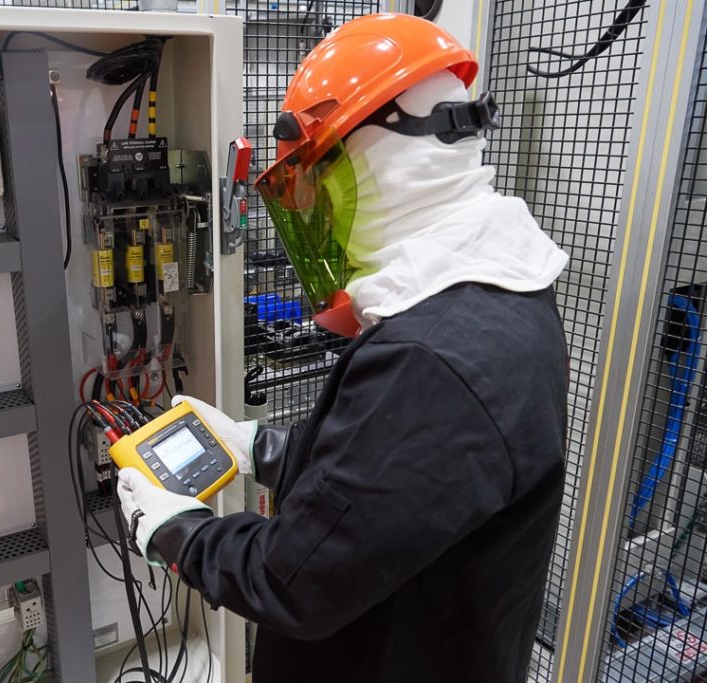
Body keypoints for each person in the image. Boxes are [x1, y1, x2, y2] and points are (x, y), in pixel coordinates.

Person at [117, 13, 569, 682]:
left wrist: (178, 531)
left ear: (384, 160)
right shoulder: (496, 299)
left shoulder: (435, 356)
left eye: (322, 179)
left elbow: (291, 583)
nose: (317, 208)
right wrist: (256, 447)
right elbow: (391, 486)